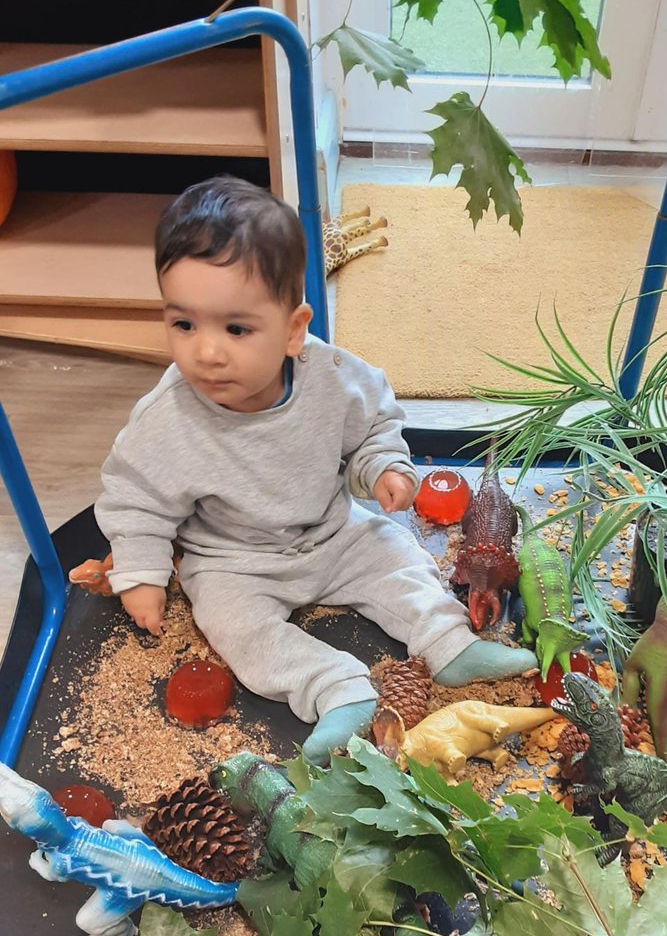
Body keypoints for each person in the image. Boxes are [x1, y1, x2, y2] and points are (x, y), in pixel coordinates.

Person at [95, 177, 536, 764]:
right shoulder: (166, 419)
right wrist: (143, 572)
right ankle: (336, 690)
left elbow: (374, 427)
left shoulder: (334, 379)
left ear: (294, 328)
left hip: (334, 530)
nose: (206, 352)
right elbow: (136, 498)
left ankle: (449, 642)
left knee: (397, 553)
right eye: (184, 325)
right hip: (234, 560)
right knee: (234, 628)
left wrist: (383, 470)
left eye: (235, 329)